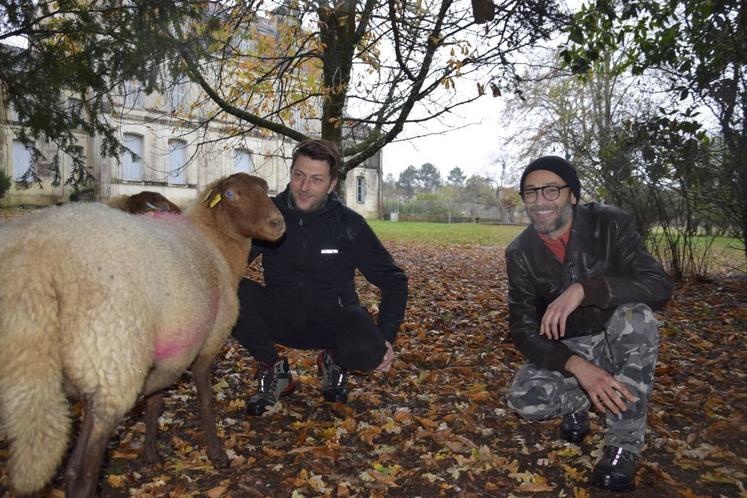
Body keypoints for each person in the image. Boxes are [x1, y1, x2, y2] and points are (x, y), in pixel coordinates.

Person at [505, 156, 673, 492]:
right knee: (526, 399)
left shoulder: (610, 224)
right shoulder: (520, 252)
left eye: (551, 191)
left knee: (636, 317)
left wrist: (586, 289)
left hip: (618, 335)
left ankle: (623, 444)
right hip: (571, 343)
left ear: (574, 196)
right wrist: (575, 365)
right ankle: (581, 400)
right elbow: (522, 329)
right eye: (531, 193)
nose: (540, 202)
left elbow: (658, 285)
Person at [232, 139, 408, 415]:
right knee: (226, 289)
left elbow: (394, 280)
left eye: (316, 179)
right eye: (299, 175)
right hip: (281, 315)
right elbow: (231, 264)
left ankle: (334, 361)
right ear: (290, 173)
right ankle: (273, 370)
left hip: (333, 322)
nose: (304, 187)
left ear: (331, 184)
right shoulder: (268, 216)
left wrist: (386, 338)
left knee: (369, 352)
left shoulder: (349, 224)